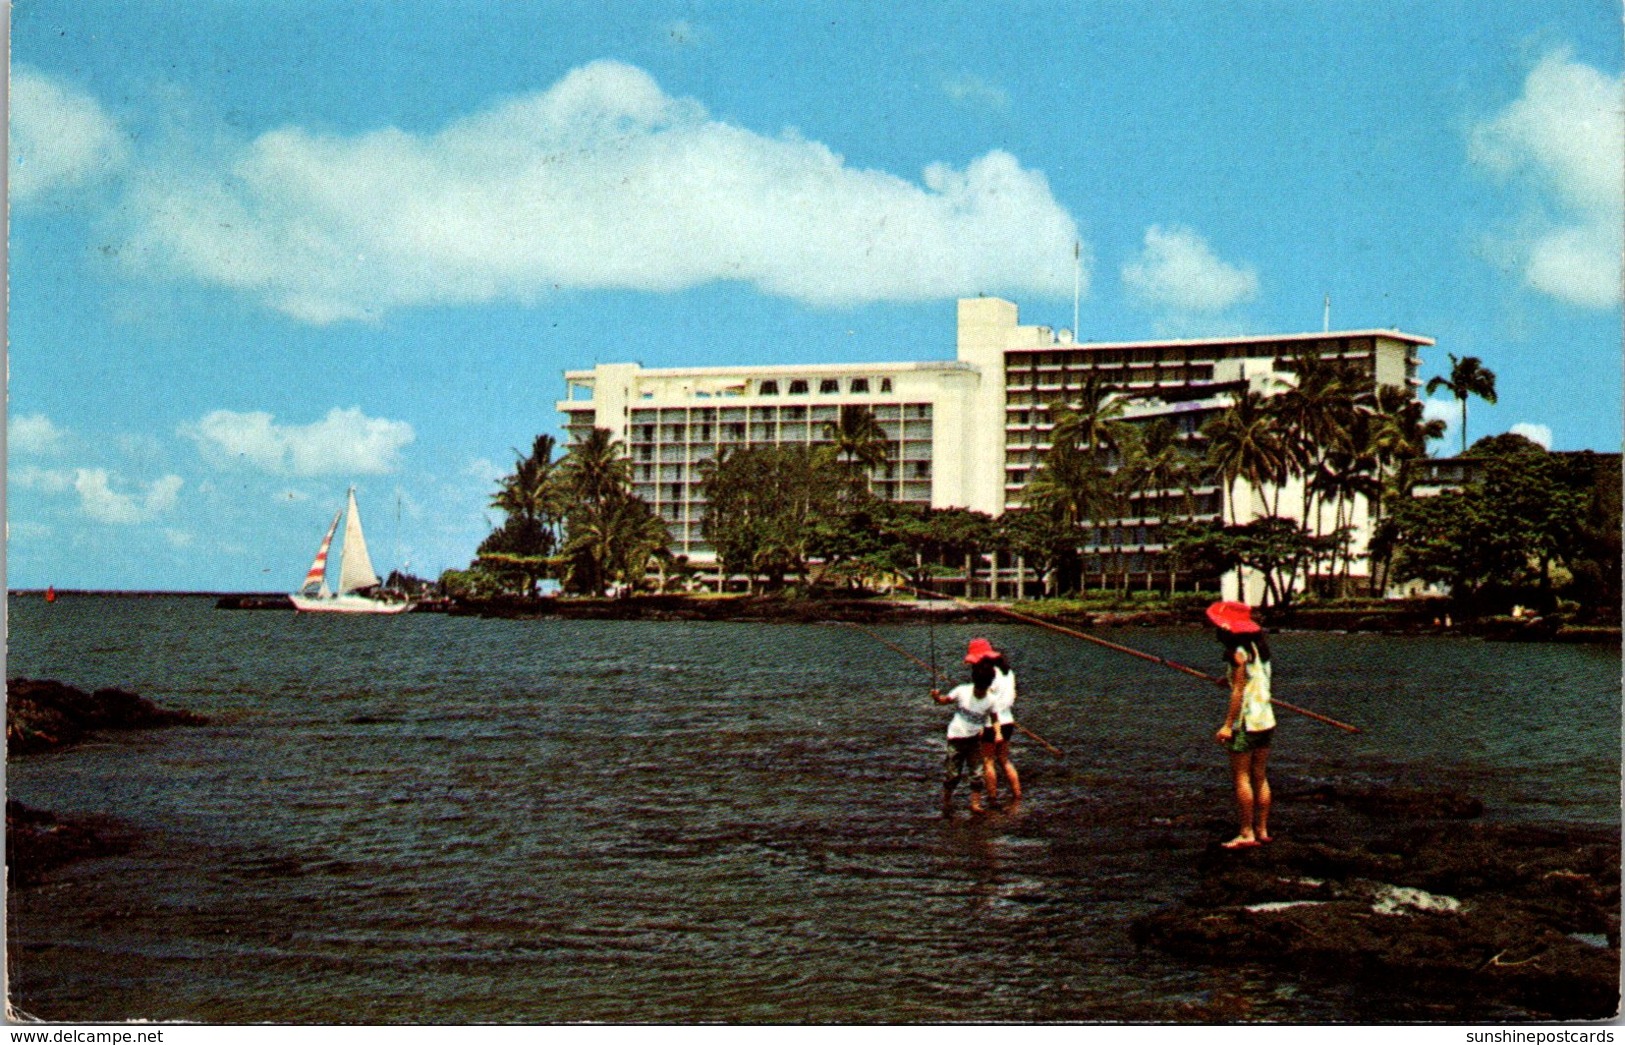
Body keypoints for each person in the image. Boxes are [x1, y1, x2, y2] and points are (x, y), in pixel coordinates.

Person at [1207, 600, 1276, 849]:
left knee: (1242, 777)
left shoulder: (1237, 652)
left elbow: (1239, 691)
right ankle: (1262, 830)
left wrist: (1227, 725)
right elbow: (1252, 679)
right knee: (1260, 775)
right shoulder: (1259, 650)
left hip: (1246, 723)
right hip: (1266, 720)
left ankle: (1246, 833)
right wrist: (1227, 678)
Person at [931, 639, 1001, 816]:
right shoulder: (962, 690)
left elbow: (995, 718)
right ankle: (946, 801)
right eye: (979, 689)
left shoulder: (991, 699)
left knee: (976, 774)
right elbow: (944, 701)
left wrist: (998, 733)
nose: (980, 692)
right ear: (974, 683)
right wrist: (936, 697)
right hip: (955, 739)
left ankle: (975, 805)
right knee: (953, 775)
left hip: (974, 741)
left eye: (984, 689)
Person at [977, 642, 1022, 807]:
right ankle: (1017, 795)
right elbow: (1013, 694)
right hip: (1008, 720)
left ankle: (992, 798)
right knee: (1004, 759)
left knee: (988, 761)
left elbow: (985, 701)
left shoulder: (988, 673)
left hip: (991, 722)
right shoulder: (1008, 672)